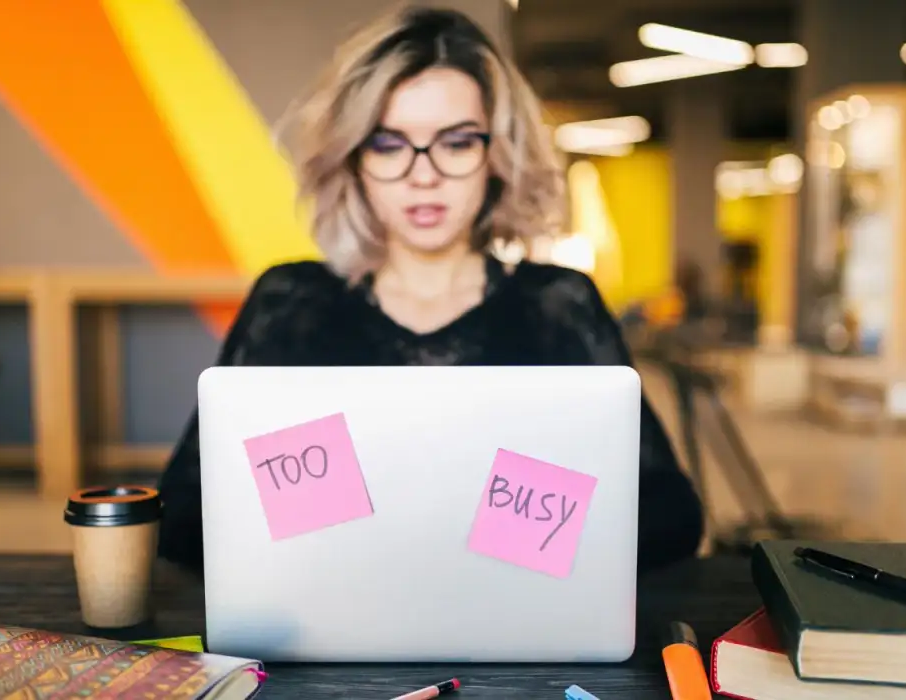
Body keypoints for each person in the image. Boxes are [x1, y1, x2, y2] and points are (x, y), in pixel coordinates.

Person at [157, 6, 703, 574]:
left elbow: (671, 515)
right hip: (326, 622)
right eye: (389, 145)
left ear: (497, 154)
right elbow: (181, 515)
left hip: (514, 633)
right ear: (354, 159)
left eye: (457, 142)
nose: (424, 174)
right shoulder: (291, 301)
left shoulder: (558, 305)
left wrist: (494, 531)